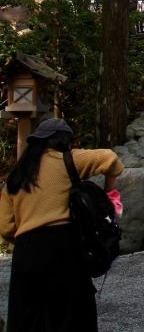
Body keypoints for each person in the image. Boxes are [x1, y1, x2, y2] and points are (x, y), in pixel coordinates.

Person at [0, 118, 124, 332]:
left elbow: (5, 226)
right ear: (64, 142)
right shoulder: (68, 160)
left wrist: (26, 238)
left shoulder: (16, 176)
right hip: (64, 246)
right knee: (71, 316)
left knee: (29, 318)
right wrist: (108, 194)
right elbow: (110, 159)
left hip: (26, 251)